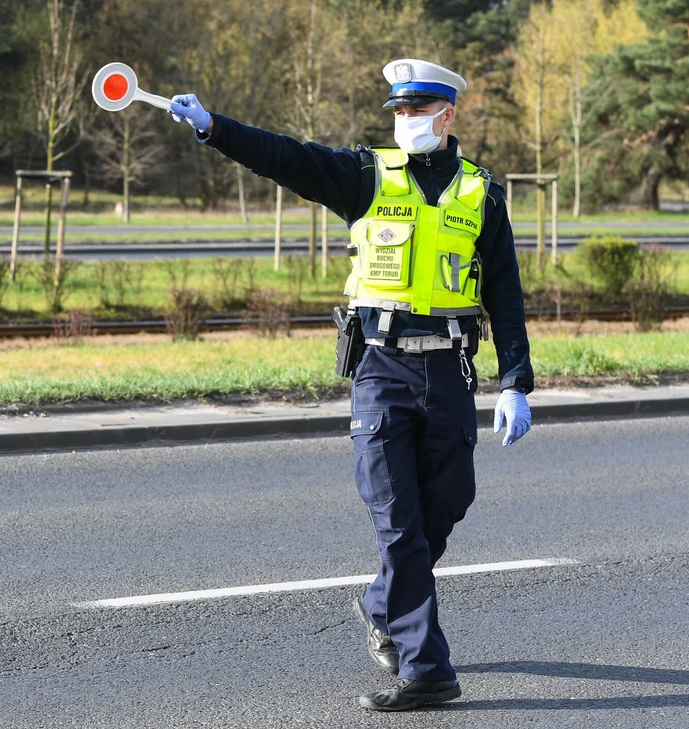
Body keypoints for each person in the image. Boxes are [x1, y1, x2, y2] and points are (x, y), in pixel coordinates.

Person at [170, 58, 534, 712]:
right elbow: (287, 157)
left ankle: (380, 604)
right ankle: (428, 668)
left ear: (448, 116)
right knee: (398, 523)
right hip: (382, 369)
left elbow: (505, 294)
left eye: (417, 112)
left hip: (450, 371)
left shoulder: (482, 194)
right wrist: (213, 127)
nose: (405, 122)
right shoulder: (368, 175)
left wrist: (515, 381)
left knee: (444, 505)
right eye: (397, 111)